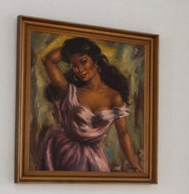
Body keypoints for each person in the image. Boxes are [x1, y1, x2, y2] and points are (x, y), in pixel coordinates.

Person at [36, 35, 141, 173]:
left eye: (83, 61)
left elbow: (123, 134)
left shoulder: (114, 97)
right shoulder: (69, 91)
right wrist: (72, 48)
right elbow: (48, 60)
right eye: (74, 65)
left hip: (94, 157)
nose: (79, 69)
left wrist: (134, 165)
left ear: (95, 61)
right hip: (62, 151)